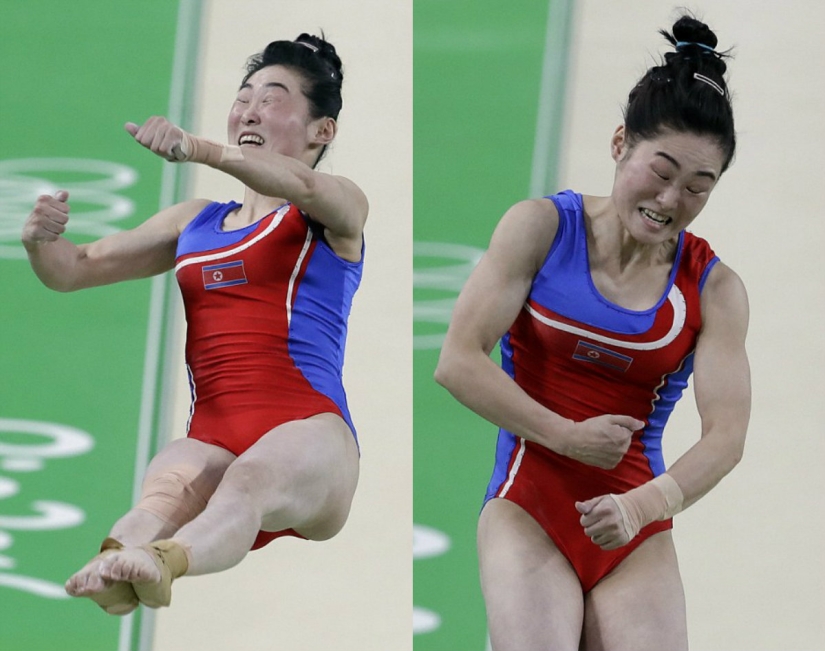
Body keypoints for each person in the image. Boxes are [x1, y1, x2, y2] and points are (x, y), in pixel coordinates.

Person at [21, 33, 367, 615]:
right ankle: (117, 570)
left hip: (311, 435)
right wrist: (40, 241)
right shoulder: (195, 224)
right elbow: (74, 269)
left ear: (322, 130)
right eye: (244, 97)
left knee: (250, 480)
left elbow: (305, 185)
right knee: (157, 501)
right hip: (214, 435)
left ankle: (166, 563)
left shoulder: (335, 211)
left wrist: (199, 149)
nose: (249, 111)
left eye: (272, 99)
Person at [435, 15, 749, 651]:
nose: (671, 200)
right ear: (619, 144)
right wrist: (566, 436)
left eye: (698, 187)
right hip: (530, 508)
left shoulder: (713, 290)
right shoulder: (541, 229)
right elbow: (458, 361)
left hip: (633, 527)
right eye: (661, 171)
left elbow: (726, 438)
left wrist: (640, 507)